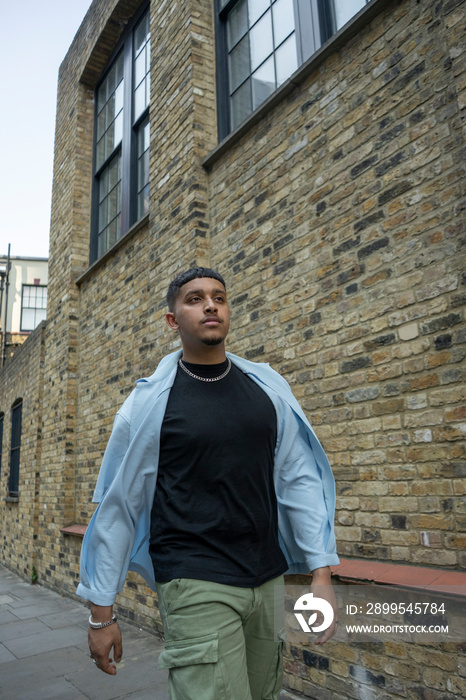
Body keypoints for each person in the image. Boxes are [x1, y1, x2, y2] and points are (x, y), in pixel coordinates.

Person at [77, 267, 339, 699]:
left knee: (265, 693)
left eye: (218, 297)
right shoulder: (147, 406)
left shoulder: (267, 389)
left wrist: (321, 574)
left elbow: (299, 480)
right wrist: (100, 615)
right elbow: (119, 507)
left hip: (267, 578)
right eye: (194, 299)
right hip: (194, 580)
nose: (211, 305)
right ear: (172, 319)